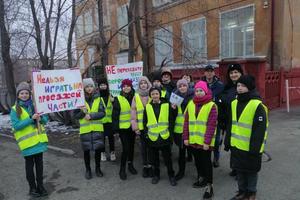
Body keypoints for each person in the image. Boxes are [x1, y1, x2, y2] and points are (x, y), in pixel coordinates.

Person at [227, 75, 268, 200]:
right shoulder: (234, 103)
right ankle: (241, 191)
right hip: (236, 146)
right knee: (239, 171)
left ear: (249, 87)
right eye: (238, 85)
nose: (239, 88)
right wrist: (227, 141)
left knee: (251, 172)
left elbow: (259, 130)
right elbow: (231, 123)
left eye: (243, 86)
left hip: (251, 148)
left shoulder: (257, 106)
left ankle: (251, 193)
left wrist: (255, 149)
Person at [10, 82, 49, 197]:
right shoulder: (15, 109)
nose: (24, 95)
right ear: (18, 95)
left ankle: (40, 186)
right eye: (21, 93)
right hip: (27, 144)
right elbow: (16, 126)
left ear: (30, 94)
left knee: (39, 166)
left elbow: (45, 120)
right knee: (29, 167)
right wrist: (31, 119)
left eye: (26, 93)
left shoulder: (36, 105)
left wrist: (40, 118)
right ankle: (32, 188)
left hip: (39, 141)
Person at [183, 81, 218, 200]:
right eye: (197, 91)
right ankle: (201, 178)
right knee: (197, 161)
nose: (198, 93)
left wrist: (207, 142)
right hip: (193, 140)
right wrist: (186, 137)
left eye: (201, 90)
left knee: (206, 163)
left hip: (205, 142)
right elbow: (186, 122)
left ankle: (209, 186)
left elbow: (211, 125)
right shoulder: (190, 103)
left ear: (206, 91)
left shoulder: (211, 105)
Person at [143, 87, 177, 186]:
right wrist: (146, 134)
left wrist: (170, 133)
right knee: (155, 160)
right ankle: (156, 175)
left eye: (156, 94)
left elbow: (171, 119)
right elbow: (145, 121)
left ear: (160, 94)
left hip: (164, 137)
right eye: (153, 94)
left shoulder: (166, 105)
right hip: (152, 138)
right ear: (150, 96)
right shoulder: (148, 107)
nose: (155, 96)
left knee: (168, 159)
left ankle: (171, 176)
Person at [74, 78, 106, 180]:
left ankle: (98, 168)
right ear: (83, 88)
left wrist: (91, 116)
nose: (89, 88)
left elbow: (102, 113)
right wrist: (82, 112)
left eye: (91, 86)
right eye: (87, 86)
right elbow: (75, 116)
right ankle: (88, 170)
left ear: (94, 87)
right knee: (86, 151)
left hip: (97, 129)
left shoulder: (99, 99)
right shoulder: (79, 100)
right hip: (85, 130)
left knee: (98, 150)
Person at [221, 63, 244, 177]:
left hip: (241, 123)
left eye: (236, 72)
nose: (234, 75)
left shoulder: (245, 86)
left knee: (241, 147)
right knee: (233, 146)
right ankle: (235, 168)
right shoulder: (227, 87)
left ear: (241, 73)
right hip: (229, 122)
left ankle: (241, 171)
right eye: (231, 73)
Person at [112, 79, 137, 180]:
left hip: (133, 127)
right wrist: (115, 129)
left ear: (131, 87)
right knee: (126, 149)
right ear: (122, 88)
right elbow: (115, 115)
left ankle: (130, 164)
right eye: (124, 86)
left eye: (128, 86)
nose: (126, 88)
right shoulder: (118, 98)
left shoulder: (135, 97)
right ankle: (122, 169)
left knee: (131, 147)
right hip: (123, 128)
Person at [202, 65, 225, 167]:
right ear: (205, 73)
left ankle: (216, 158)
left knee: (216, 140)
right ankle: (205, 159)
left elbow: (224, 100)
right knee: (205, 139)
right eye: (207, 71)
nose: (209, 73)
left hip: (217, 117)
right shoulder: (201, 84)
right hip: (204, 117)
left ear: (214, 73)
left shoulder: (220, 85)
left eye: (211, 71)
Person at [130, 76, 152, 178]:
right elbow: (133, 113)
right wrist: (136, 127)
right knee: (143, 148)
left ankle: (151, 166)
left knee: (151, 148)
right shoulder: (136, 96)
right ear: (139, 86)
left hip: (152, 127)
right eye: (141, 83)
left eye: (145, 83)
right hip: (142, 127)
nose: (143, 85)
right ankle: (145, 166)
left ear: (148, 84)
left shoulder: (153, 94)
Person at [172, 79, 194, 181]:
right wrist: (173, 108)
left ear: (187, 86)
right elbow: (171, 115)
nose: (182, 88)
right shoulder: (174, 98)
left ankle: (200, 173)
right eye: (180, 86)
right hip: (179, 130)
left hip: (191, 129)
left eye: (184, 86)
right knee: (181, 152)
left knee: (194, 151)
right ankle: (181, 172)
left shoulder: (193, 96)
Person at [98, 78, 116, 161]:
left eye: (104, 84)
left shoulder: (111, 95)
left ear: (107, 86)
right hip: (101, 121)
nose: (103, 86)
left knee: (111, 138)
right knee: (102, 139)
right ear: (99, 86)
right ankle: (103, 153)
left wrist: (113, 101)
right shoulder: (97, 96)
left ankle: (112, 152)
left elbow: (116, 107)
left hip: (110, 121)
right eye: (101, 85)